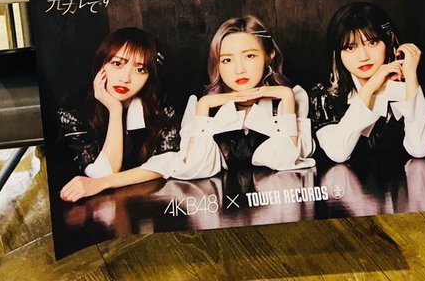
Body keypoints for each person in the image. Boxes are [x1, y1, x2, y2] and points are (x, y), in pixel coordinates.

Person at [169, 15, 313, 177]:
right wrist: (204, 106)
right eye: (227, 60)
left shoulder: (291, 99)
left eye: (249, 56)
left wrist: (286, 96)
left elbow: (286, 161)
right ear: (217, 64)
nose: (239, 70)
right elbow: (194, 167)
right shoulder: (201, 105)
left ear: (269, 56)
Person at [58, 28, 179, 202]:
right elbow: (101, 173)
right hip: (93, 209)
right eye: (117, 64)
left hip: (146, 203)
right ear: (101, 64)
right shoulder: (73, 110)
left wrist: (107, 182)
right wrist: (115, 111)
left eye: (140, 69)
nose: (125, 78)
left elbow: (168, 161)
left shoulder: (159, 106)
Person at [309, 2, 425, 165]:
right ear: (337, 53)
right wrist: (370, 88)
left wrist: (411, 76)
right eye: (350, 47)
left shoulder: (415, 84)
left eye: (372, 42)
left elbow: (421, 149)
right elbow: (338, 153)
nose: (364, 57)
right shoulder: (324, 95)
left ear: (389, 41)